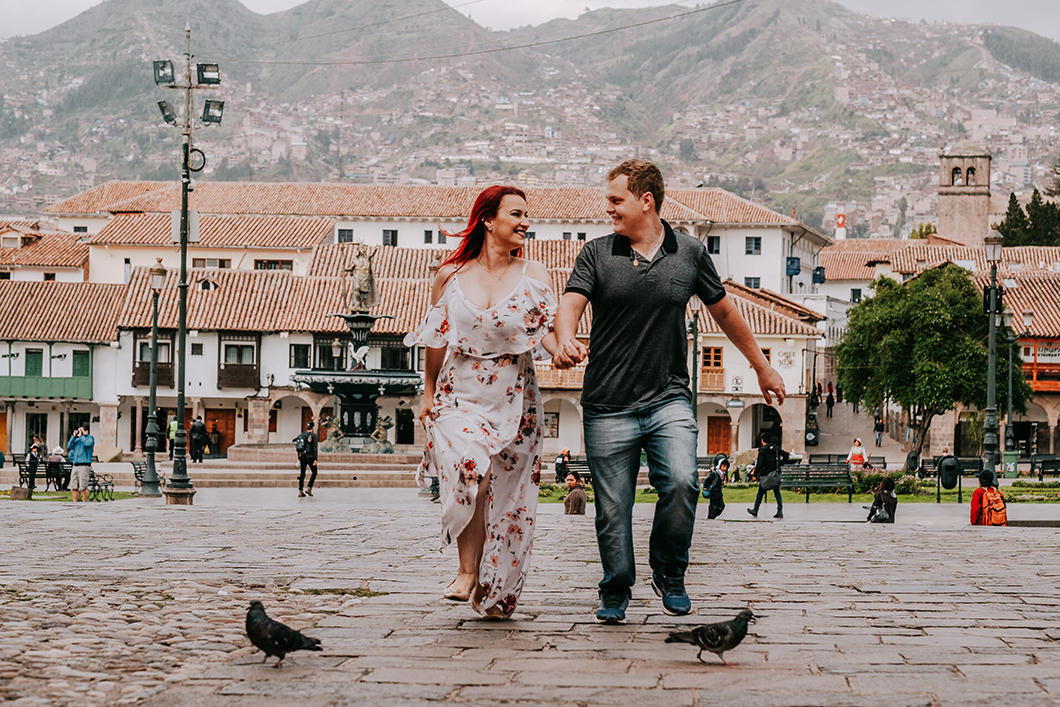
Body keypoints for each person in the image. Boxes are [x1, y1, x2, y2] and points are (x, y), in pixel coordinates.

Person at [552, 160, 785, 623]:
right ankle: (615, 588)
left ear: (646, 200)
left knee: (682, 482)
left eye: (616, 200)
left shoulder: (690, 253)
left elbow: (726, 314)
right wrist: (563, 338)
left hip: (669, 397)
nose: (609, 209)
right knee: (613, 506)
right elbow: (570, 304)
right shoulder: (596, 253)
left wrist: (762, 367)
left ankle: (670, 572)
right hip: (606, 403)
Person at [405, 185, 559, 619]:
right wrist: (429, 390)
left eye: (528, 214)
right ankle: (467, 570)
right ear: (489, 220)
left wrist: (564, 348)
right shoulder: (449, 276)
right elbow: (436, 337)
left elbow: (543, 331)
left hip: (515, 398)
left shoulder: (535, 275)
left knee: (511, 502)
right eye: (517, 213)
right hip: (459, 394)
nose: (526, 221)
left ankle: (495, 589)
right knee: (474, 469)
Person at [747, 433, 789, 519]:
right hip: (775, 475)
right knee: (777, 493)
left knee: (760, 493)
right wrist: (780, 464)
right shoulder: (776, 448)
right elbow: (786, 455)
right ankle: (780, 511)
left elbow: (759, 464)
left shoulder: (762, 450)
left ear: (762, 440)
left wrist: (755, 475)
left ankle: (755, 510)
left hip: (765, 476)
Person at [67, 425, 95, 502]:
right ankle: (75, 503)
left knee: (83, 487)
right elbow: (69, 446)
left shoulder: (90, 438)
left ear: (86, 431)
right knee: (74, 486)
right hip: (75, 465)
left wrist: (82, 436)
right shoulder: (77, 440)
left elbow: (87, 444)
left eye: (82, 430)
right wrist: (73, 436)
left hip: (84, 466)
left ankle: (84, 503)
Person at [293, 421, 318, 497]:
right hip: (310, 456)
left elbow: (294, 440)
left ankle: (300, 491)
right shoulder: (313, 435)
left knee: (302, 474)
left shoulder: (302, 434)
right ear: (313, 427)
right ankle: (309, 488)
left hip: (302, 456)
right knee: (314, 472)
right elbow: (315, 448)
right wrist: (315, 459)